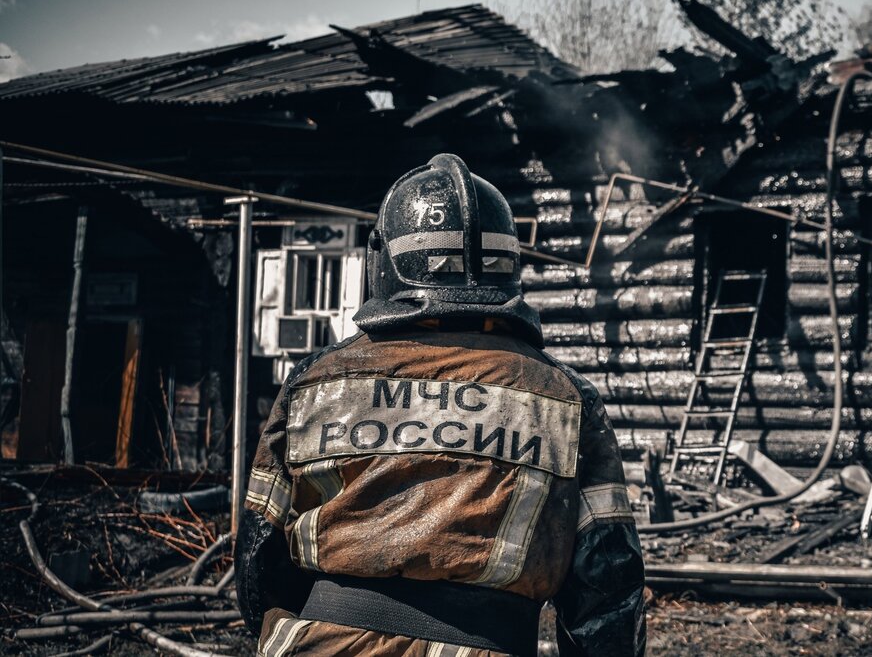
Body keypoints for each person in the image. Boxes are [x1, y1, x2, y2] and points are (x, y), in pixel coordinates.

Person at [235, 153, 646, 657]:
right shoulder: (565, 397)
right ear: (509, 264)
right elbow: (607, 589)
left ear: (383, 263)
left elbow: (259, 560)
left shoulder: (314, 382)